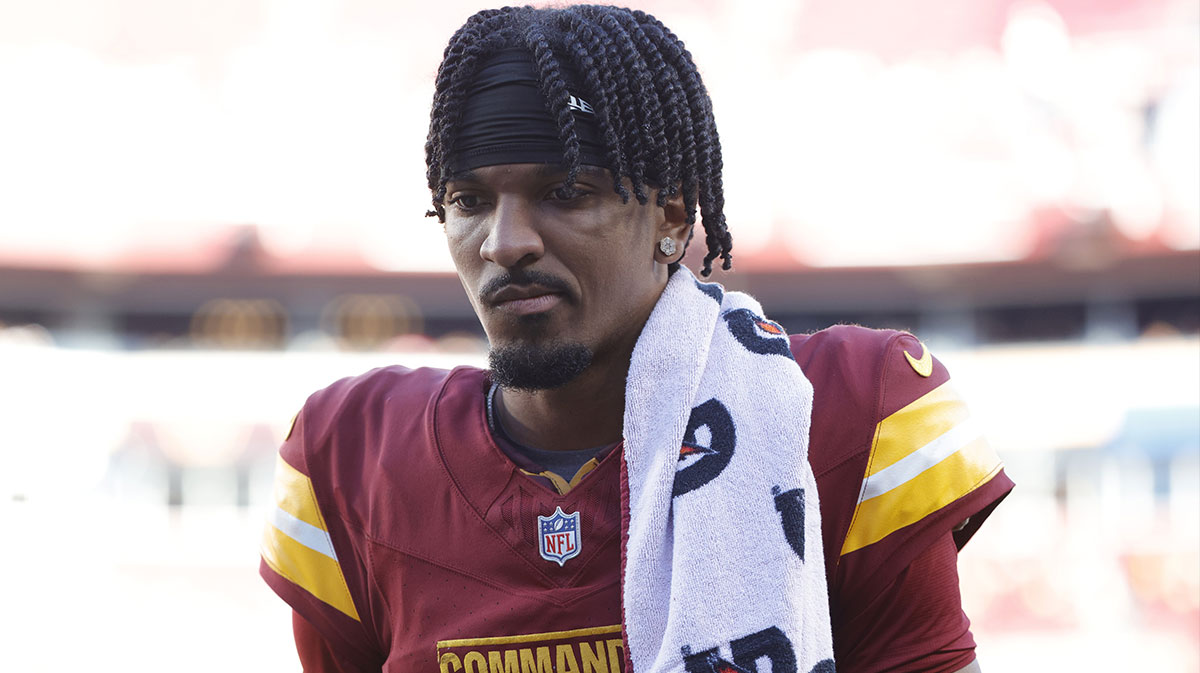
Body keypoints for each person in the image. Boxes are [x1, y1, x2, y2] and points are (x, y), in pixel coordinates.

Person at [260, 5, 1013, 672]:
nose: (505, 241)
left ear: (674, 219)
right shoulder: (351, 456)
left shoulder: (844, 409)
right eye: (469, 199)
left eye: (566, 192)